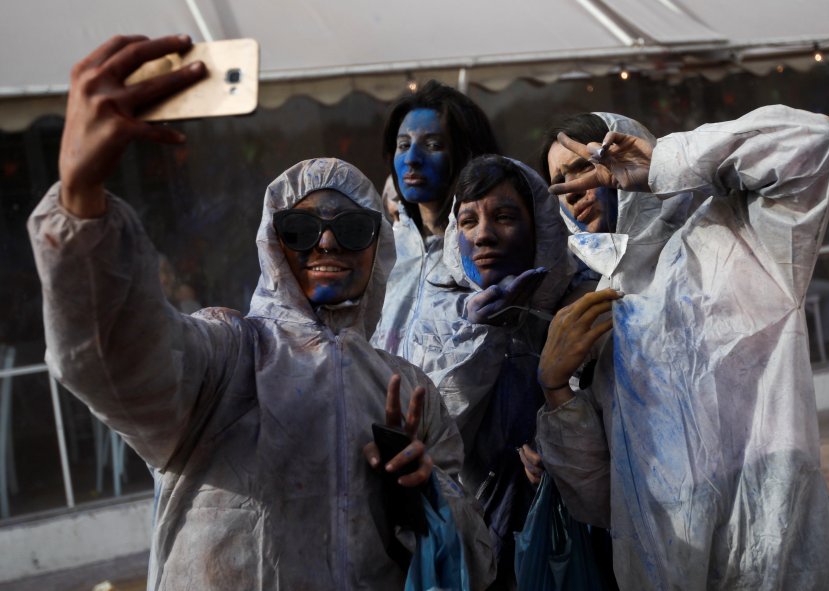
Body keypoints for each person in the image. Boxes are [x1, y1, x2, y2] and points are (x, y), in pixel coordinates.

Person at [29, 35, 494, 590]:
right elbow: (115, 359)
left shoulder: (406, 391)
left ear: (379, 246)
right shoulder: (227, 358)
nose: (325, 244)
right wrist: (82, 202)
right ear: (273, 244)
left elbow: (477, 558)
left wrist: (427, 497)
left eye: (351, 229)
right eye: (299, 230)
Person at [534, 107, 829, 589]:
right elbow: (601, 499)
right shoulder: (595, 316)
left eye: (584, 165)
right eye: (559, 180)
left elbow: (819, 142)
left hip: (780, 553)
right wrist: (557, 388)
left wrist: (666, 163)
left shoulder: (735, 233)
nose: (575, 189)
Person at [397, 154, 574, 586]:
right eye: (468, 220)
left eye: (504, 217)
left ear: (542, 228)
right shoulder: (437, 319)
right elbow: (436, 441)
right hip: (469, 558)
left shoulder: (579, 305)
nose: (483, 236)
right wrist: (479, 339)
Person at [371, 81, 500, 356]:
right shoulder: (383, 254)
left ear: (466, 153)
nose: (412, 159)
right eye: (403, 145)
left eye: (432, 145)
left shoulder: (488, 251)